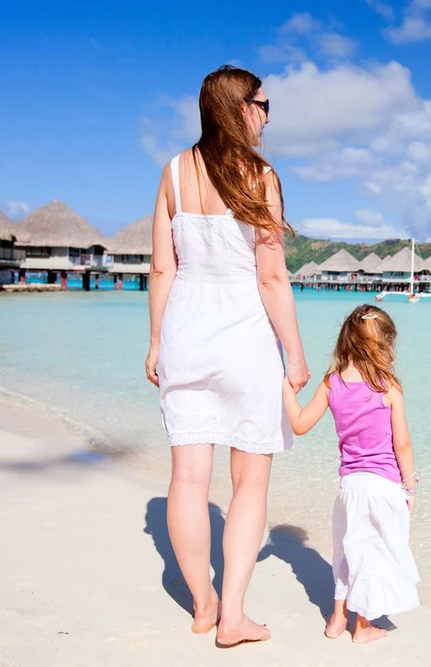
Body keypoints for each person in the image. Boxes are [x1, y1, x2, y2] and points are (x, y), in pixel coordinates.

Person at [144, 65, 311, 648]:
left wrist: (157, 341)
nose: (267, 116)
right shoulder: (261, 175)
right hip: (245, 336)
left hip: (186, 330)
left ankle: (202, 605)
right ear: (240, 107)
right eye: (264, 104)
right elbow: (271, 277)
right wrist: (295, 353)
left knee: (187, 479)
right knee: (249, 485)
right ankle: (233, 614)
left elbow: (163, 268)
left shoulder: (172, 172)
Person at [282, 304, 420, 643]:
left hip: (349, 487)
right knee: (371, 553)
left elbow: (299, 425)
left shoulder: (332, 384)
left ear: (346, 340)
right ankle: (361, 627)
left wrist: (285, 386)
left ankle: (337, 619)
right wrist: (410, 486)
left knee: (346, 551)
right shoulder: (388, 388)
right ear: (384, 345)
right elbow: (402, 444)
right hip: (383, 487)